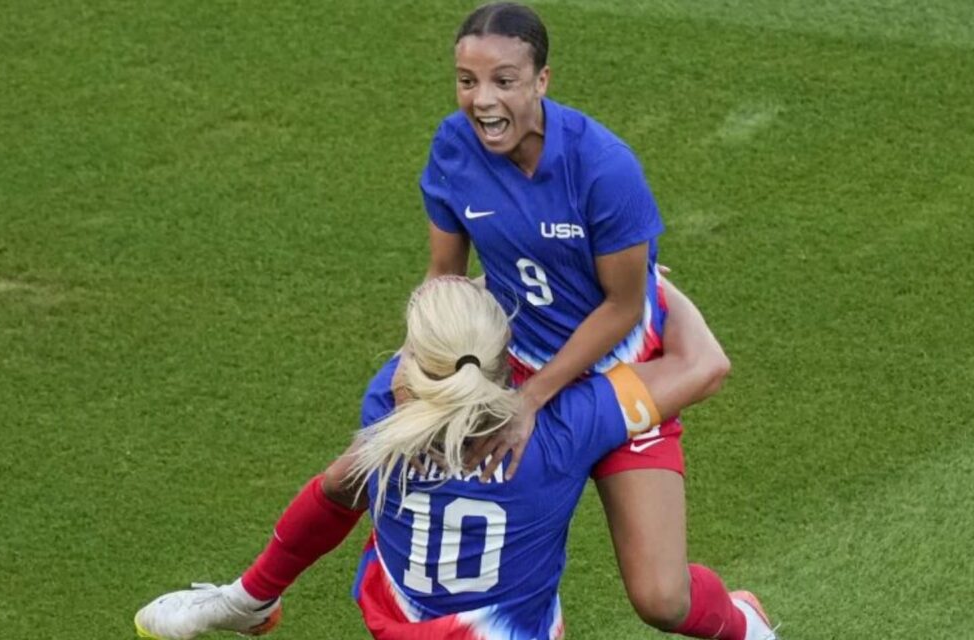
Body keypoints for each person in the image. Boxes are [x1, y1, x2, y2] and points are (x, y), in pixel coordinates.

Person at [138, 3, 778, 638]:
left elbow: (623, 306)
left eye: (503, 80)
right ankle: (246, 598)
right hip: (496, 363)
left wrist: (533, 399)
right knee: (352, 472)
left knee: (661, 599)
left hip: (613, 368)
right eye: (467, 80)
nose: (481, 100)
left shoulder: (604, 170)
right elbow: (445, 275)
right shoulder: (453, 149)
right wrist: (422, 360)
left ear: (542, 81)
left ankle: (744, 623)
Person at [136, 277, 775, 639]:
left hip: (401, 626)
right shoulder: (563, 429)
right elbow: (703, 364)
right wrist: (646, 285)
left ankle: (247, 598)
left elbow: (337, 489)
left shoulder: (384, 406)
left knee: (345, 479)